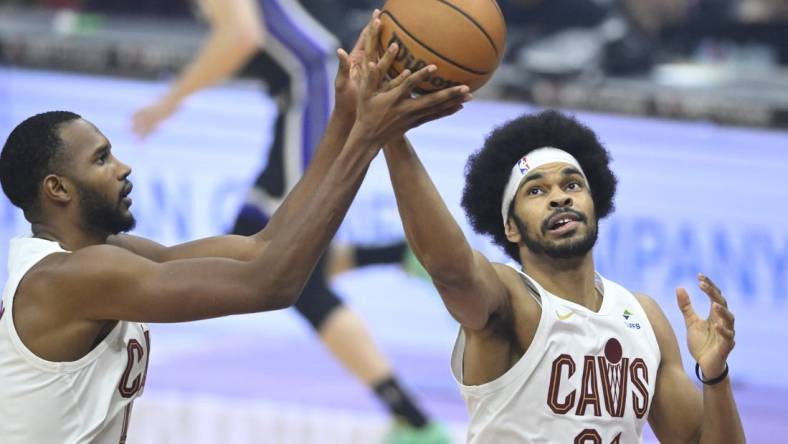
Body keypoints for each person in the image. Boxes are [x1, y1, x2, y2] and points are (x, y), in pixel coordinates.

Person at [0, 15, 471, 443]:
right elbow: (270, 283)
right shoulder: (69, 277)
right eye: (101, 159)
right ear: (58, 189)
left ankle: (392, 264)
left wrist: (346, 119)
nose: (123, 168)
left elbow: (258, 248)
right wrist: (367, 140)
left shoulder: (107, 253)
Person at [132, 1, 450, 441]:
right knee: (253, 243)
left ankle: (414, 421)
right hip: (303, 97)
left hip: (316, 92)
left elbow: (240, 36)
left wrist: (170, 101)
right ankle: (395, 254)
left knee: (289, 274)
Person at [382, 110, 745, 443]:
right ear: (511, 227)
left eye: (572, 185)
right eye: (536, 190)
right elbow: (452, 271)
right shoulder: (510, 296)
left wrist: (715, 375)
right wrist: (394, 137)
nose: (560, 199)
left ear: (594, 202)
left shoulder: (643, 316)